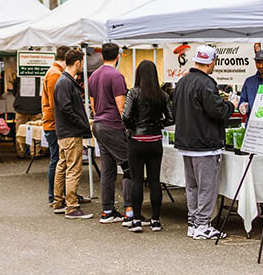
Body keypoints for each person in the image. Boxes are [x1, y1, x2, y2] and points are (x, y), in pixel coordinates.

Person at [173, 45, 236, 240]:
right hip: (205, 144)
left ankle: (193, 222)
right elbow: (217, 111)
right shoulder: (206, 84)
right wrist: (231, 105)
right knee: (207, 186)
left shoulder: (182, 82)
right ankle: (202, 225)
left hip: (186, 143)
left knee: (192, 186)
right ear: (212, 62)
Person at [122, 61, 172, 233]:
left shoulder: (133, 93)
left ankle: (136, 220)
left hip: (136, 140)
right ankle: (155, 220)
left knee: (137, 181)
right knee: (155, 181)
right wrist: (158, 124)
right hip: (155, 141)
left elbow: (125, 116)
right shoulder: (162, 95)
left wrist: (134, 126)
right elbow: (172, 118)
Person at [88, 42, 132, 224]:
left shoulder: (93, 76)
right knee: (129, 165)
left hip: (98, 124)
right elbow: (121, 106)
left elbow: (92, 104)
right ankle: (130, 209)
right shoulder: (116, 76)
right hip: (112, 125)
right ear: (118, 56)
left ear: (102, 56)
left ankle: (107, 210)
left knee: (107, 169)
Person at [52, 48, 93, 220]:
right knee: (73, 169)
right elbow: (67, 108)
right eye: (82, 62)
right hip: (70, 132)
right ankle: (71, 206)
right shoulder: (65, 82)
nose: (82, 65)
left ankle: (59, 202)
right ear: (77, 62)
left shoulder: (64, 81)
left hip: (65, 132)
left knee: (63, 166)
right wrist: (81, 123)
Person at [42, 46, 70, 205]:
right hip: (54, 124)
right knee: (57, 160)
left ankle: (61, 194)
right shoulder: (55, 74)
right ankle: (55, 196)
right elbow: (55, 105)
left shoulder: (54, 72)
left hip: (52, 123)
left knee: (58, 160)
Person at [239, 49, 263, 122]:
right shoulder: (249, 82)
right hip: (252, 126)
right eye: (258, 62)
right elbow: (242, 101)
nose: (261, 65)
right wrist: (242, 107)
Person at [12, 74, 42, 158]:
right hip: (36, 107)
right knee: (36, 131)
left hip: (21, 107)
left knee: (20, 131)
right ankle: (35, 152)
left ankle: (21, 152)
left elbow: (14, 91)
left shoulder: (20, 75)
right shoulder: (40, 75)